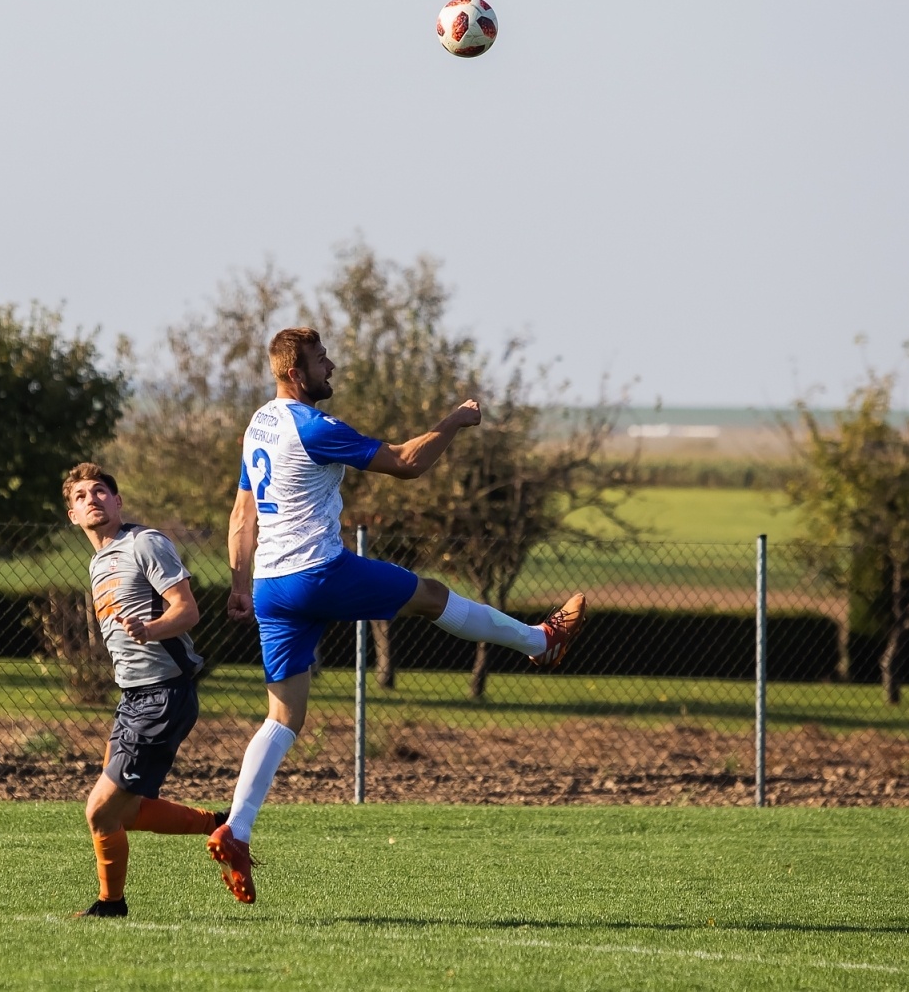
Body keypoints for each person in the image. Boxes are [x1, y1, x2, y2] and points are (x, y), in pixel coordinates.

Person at [205, 327, 588, 904]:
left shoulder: (259, 424)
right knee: (432, 596)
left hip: (270, 588)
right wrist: (455, 420)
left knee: (282, 717)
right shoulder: (315, 427)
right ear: (294, 373)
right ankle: (540, 641)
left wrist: (238, 585)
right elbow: (407, 463)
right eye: (320, 359)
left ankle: (236, 830)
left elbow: (241, 514)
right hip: (318, 572)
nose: (331, 366)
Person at [64, 462, 225, 918]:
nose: (91, 498)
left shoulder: (145, 542)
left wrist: (151, 629)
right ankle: (221, 824)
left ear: (117, 502)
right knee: (126, 813)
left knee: (99, 811)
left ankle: (111, 905)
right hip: (134, 698)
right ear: (72, 516)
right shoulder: (99, 560)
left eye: (100, 491)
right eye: (80, 496)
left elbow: (187, 611)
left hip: (163, 695)